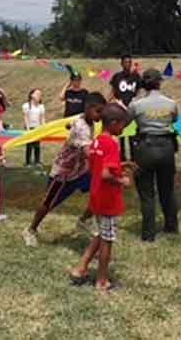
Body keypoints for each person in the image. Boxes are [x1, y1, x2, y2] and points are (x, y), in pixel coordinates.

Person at [22, 92, 107, 247]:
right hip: (64, 173)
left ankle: (84, 221)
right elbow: (89, 153)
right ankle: (30, 230)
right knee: (48, 204)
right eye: (98, 111)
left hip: (80, 170)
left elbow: (74, 125)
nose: (101, 116)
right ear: (88, 108)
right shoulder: (83, 127)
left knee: (100, 190)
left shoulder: (88, 120)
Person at [69, 104, 132, 292]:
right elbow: (106, 174)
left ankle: (81, 268)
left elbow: (95, 167)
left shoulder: (97, 141)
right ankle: (102, 280)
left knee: (100, 234)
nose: (123, 129)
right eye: (122, 125)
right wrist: (122, 180)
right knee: (107, 240)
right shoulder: (111, 143)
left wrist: (121, 164)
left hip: (97, 196)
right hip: (108, 200)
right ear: (113, 123)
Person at [128, 69, 179, 241]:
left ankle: (148, 234)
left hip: (145, 148)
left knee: (146, 192)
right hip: (167, 148)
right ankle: (171, 227)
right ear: (160, 82)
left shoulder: (136, 104)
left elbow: (125, 121)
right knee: (167, 190)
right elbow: (174, 120)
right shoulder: (171, 103)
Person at [110, 54, 142, 160]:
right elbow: (113, 92)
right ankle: (122, 159)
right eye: (125, 62)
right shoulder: (117, 77)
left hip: (132, 111)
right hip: (120, 111)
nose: (127, 64)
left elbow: (139, 90)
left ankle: (134, 160)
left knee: (133, 137)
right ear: (121, 64)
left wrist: (136, 99)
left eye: (129, 62)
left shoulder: (136, 77)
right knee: (121, 137)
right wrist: (112, 101)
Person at [22, 88, 46, 167]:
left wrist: (44, 127)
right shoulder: (26, 106)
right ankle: (28, 162)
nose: (39, 96)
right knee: (29, 145)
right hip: (30, 128)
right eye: (37, 94)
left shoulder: (41, 107)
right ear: (32, 95)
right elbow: (26, 118)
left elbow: (42, 118)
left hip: (38, 128)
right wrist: (28, 129)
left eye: (40, 95)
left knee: (37, 145)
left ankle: (37, 161)